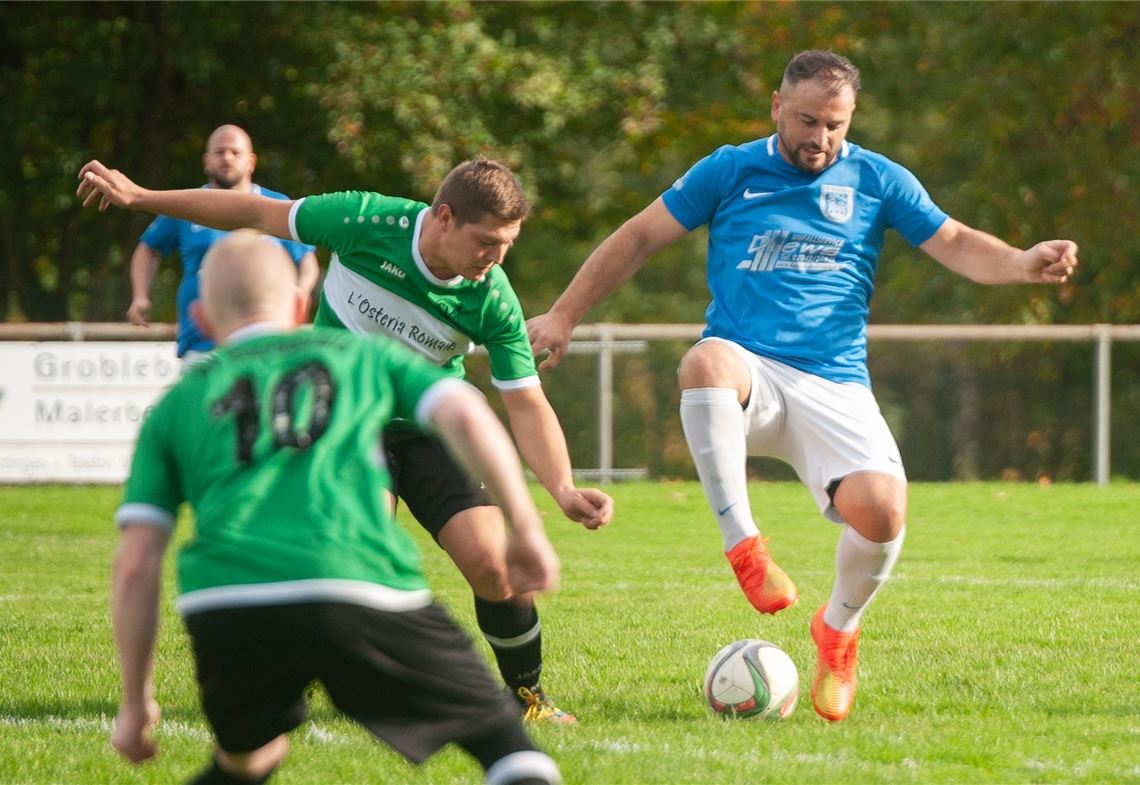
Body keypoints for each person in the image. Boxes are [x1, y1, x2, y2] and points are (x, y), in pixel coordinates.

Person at [526, 50, 1079, 723]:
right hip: (748, 371)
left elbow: (957, 240)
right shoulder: (730, 169)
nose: (820, 137)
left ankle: (838, 631)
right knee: (703, 363)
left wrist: (1023, 263)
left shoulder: (877, 178)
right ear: (776, 107)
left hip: (837, 384)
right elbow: (640, 237)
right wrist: (563, 314)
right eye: (808, 120)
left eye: (836, 125)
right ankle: (744, 545)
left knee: (883, 512)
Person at [80, 156, 614, 723]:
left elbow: (526, 403)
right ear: (444, 218)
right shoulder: (363, 221)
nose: (498, 258)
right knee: (347, 559)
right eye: (488, 242)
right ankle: (293, 685)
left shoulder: (492, 297)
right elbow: (253, 213)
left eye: (507, 244)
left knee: (493, 565)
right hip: (346, 424)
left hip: (431, 432)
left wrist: (562, 487)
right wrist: (143, 196)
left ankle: (527, 697)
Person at [108, 229, 563, 785]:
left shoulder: (175, 405)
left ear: (201, 319)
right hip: (360, 588)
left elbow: (135, 564)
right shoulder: (359, 355)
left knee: (249, 758)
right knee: (508, 749)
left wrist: (136, 703)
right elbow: (466, 413)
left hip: (228, 608)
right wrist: (524, 526)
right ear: (301, 306)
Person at [125, 124, 320, 363]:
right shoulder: (188, 205)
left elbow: (308, 262)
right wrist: (140, 295)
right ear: (206, 161)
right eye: (219, 152)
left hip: (267, 343)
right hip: (202, 346)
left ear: (251, 162)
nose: (227, 158)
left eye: (235, 152)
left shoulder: (277, 207)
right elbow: (148, 249)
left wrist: (300, 290)